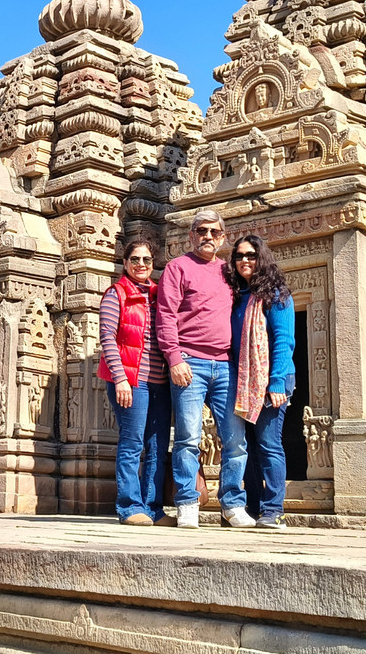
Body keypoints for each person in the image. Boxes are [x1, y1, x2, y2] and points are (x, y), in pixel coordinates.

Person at [156, 210, 250, 529]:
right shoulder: (177, 268)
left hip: (225, 364)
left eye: (214, 232)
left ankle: (232, 504)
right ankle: (187, 501)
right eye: (201, 230)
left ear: (223, 238)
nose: (208, 236)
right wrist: (174, 358)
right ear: (191, 235)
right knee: (188, 437)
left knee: (235, 439)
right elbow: (166, 316)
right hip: (190, 363)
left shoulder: (228, 273)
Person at [98, 239, 173, 527]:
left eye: (146, 260)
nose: (141, 264)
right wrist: (121, 379)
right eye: (135, 259)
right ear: (125, 263)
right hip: (131, 381)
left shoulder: (159, 295)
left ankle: (153, 508)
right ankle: (129, 506)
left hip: (160, 382)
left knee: (158, 444)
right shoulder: (116, 294)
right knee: (132, 443)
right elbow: (108, 339)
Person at [225, 234, 295, 530]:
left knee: (268, 443)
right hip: (241, 380)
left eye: (251, 255)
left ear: (261, 257)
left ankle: (273, 509)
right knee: (246, 445)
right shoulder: (234, 296)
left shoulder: (276, 295)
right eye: (239, 256)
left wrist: (277, 381)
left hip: (271, 379)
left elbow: (283, 340)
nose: (244, 260)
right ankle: (251, 506)